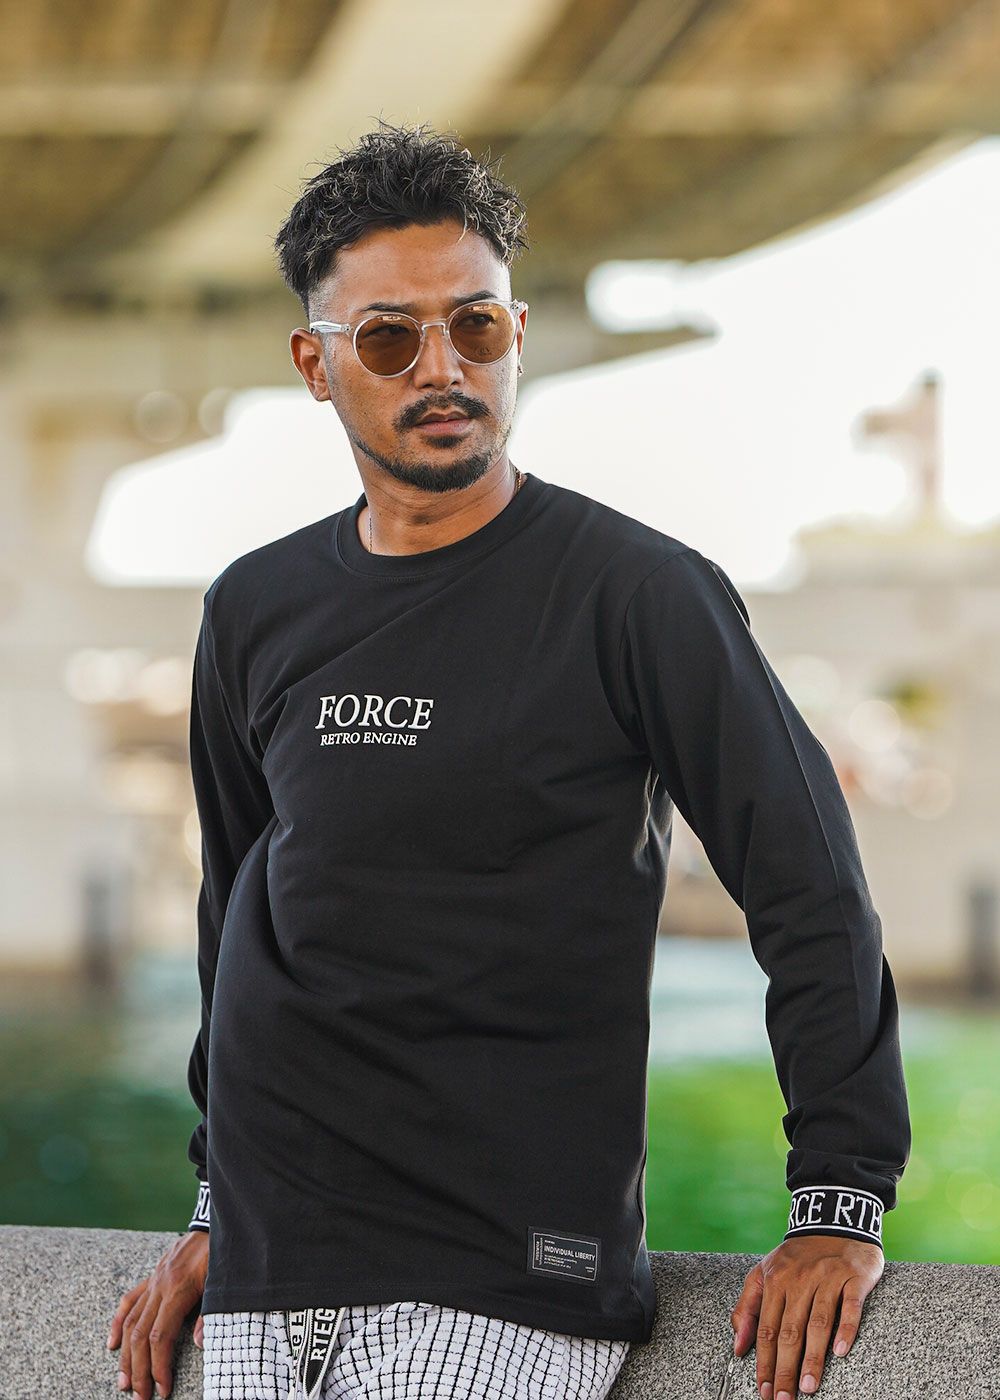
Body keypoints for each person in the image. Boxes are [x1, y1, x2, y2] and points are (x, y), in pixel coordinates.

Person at [107, 118, 910, 1400]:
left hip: (507, 1280)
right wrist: (218, 1200)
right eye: (390, 338)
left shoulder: (637, 594)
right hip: (269, 1280)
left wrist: (838, 1200)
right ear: (316, 364)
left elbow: (807, 882)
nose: (443, 368)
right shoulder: (253, 608)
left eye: (474, 327)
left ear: (517, 334)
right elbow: (239, 917)